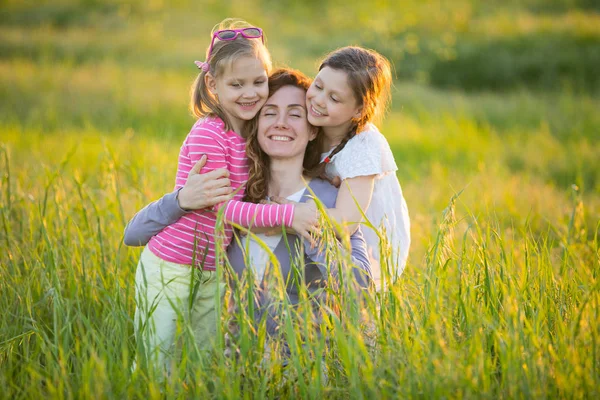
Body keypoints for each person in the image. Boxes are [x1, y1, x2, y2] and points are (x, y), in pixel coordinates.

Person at [125, 68, 372, 367]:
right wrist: (181, 200)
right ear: (255, 125)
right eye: (269, 113)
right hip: (233, 362)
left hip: (300, 366)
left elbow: (359, 288)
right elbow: (133, 235)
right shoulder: (236, 198)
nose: (281, 123)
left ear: (313, 130)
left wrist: (309, 228)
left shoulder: (329, 201)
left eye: (295, 114)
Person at [127, 19, 318, 374]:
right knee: (159, 355)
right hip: (171, 264)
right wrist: (288, 216)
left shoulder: (247, 134)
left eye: (259, 82)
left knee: (202, 356)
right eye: (237, 84)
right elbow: (225, 209)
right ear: (213, 85)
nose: (250, 93)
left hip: (212, 268)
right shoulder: (209, 134)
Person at [299, 46, 411, 291]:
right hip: (325, 239)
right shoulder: (312, 121)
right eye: (318, 86)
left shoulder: (363, 145)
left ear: (359, 110)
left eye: (334, 98)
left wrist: (288, 213)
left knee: (359, 317)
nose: (318, 100)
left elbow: (347, 221)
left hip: (367, 247)